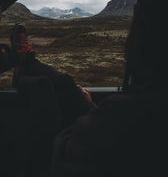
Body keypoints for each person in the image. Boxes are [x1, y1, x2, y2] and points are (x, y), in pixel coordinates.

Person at [10, 24, 167, 177]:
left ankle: (25, 65)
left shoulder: (126, 109)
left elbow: (67, 154)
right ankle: (27, 63)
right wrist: (91, 106)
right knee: (66, 84)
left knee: (58, 85)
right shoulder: (147, 107)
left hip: (62, 159)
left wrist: (90, 108)